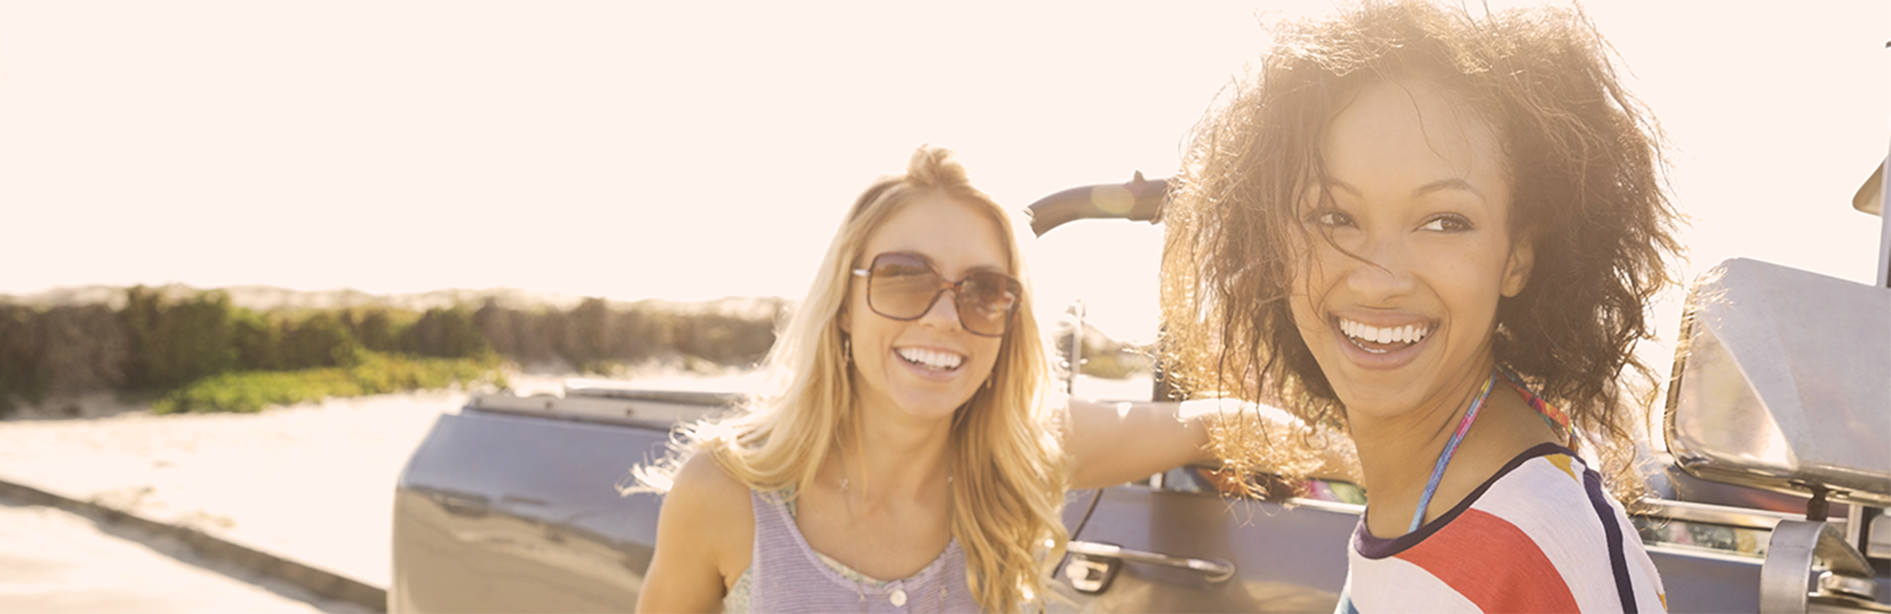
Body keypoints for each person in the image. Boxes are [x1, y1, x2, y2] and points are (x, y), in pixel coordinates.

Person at [1156, 1, 1681, 612]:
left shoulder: (1536, 550)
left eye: (1443, 221)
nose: (1380, 279)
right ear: (1276, 241)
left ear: (1518, 256)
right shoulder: (1432, 495)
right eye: (1335, 216)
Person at [630, 146, 1230, 613]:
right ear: (844, 304)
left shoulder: (1019, 455)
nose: (945, 318)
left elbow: (1212, 424)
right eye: (904, 277)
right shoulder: (729, 493)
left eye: (985, 291)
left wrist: (1323, 433)